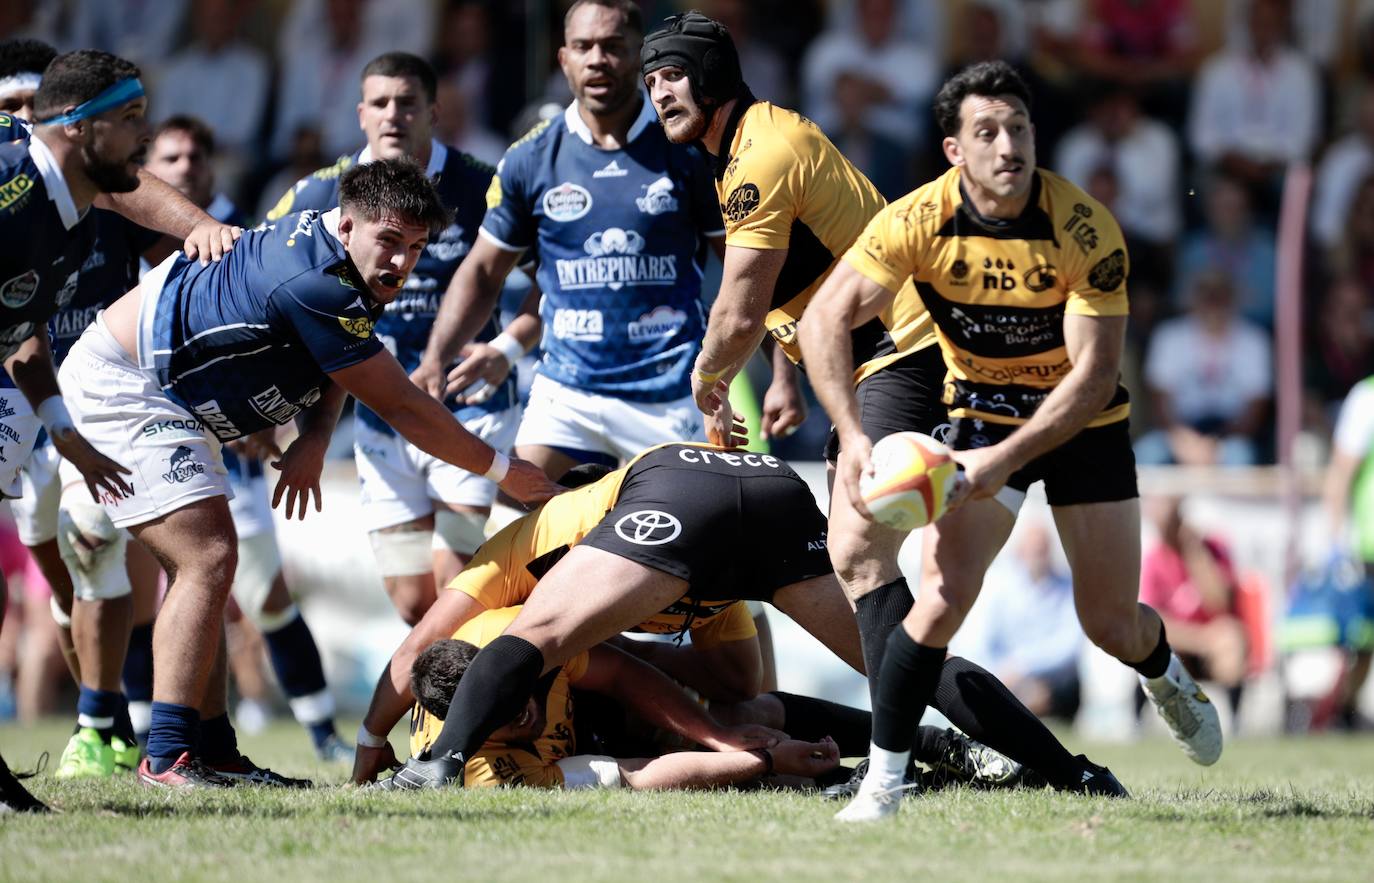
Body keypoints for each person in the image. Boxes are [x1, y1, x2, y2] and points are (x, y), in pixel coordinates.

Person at [795, 61, 1222, 822]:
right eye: (986, 132)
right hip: (981, 415)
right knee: (942, 599)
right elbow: (823, 319)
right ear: (954, 150)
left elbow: (1093, 379)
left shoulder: (1084, 226)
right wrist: (855, 435)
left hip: (1082, 425)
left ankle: (1164, 674)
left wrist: (1002, 463)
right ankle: (883, 787)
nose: (1007, 147)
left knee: (1110, 623)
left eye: (1018, 129)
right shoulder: (916, 220)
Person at [57, 158, 560, 789]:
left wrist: (317, 436)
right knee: (206, 557)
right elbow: (403, 405)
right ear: (348, 225)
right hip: (128, 384)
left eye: (416, 248)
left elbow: (330, 360)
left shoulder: (346, 259)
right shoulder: (318, 280)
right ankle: (166, 756)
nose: (402, 262)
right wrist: (504, 470)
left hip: (176, 397)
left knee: (209, 563)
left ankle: (210, 750)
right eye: (390, 242)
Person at [371, 442, 1125, 799]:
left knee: (529, 641)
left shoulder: (527, 544)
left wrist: (374, 744)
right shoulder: (625, 566)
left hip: (677, 492)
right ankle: (1076, 773)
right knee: (903, 654)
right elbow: (736, 687)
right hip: (767, 482)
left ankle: (433, 769)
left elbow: (416, 650)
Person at [639, 12, 963, 802]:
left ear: (711, 77)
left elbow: (740, 309)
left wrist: (706, 376)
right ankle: (917, 753)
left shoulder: (756, 158)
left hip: (906, 344)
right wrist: (785, 375)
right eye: (650, 83)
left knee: (860, 552)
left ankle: (913, 758)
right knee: (865, 563)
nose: (658, 94)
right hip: (867, 353)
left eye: (671, 76)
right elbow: (814, 266)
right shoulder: (746, 146)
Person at [412, 0, 805, 482]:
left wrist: (783, 375)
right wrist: (435, 361)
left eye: (613, 47)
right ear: (564, 60)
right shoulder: (530, 159)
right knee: (512, 522)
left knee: (692, 538)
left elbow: (750, 272)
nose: (597, 58)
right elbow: (481, 272)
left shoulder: (689, 152)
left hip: (669, 392)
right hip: (567, 395)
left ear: (639, 58)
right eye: (583, 46)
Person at [0, 47, 238, 808]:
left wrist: (61, 429)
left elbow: (22, 334)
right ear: (73, 128)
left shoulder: (69, 216)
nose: (142, 138)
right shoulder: (12, 198)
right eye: (129, 120)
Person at [266, 52, 522, 626]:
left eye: (408, 103)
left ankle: (455, 713)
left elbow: (547, 283)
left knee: (458, 589)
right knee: (413, 604)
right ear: (360, 114)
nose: (393, 115)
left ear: (433, 111)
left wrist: (508, 348)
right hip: (381, 422)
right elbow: (262, 273)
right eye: (380, 103)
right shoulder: (318, 194)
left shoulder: (484, 186)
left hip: (469, 413)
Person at [145, 115, 351, 762]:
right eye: (169, 156)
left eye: (196, 154)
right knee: (139, 587)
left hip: (232, 437)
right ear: (150, 165)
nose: (184, 166)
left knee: (261, 593)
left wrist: (267, 424)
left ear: (211, 167)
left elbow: (267, 330)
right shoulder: (127, 223)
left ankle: (318, 734)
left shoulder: (243, 230)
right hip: (144, 421)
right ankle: (125, 730)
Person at [1140, 496, 1248, 719]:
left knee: (1232, 638)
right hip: (1183, 645)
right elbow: (1155, 622)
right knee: (1146, 647)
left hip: (1213, 644)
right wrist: (1201, 641)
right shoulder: (1153, 559)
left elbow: (1221, 604)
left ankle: (1235, 721)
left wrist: (1194, 552)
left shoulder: (1211, 550)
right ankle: (1139, 721)